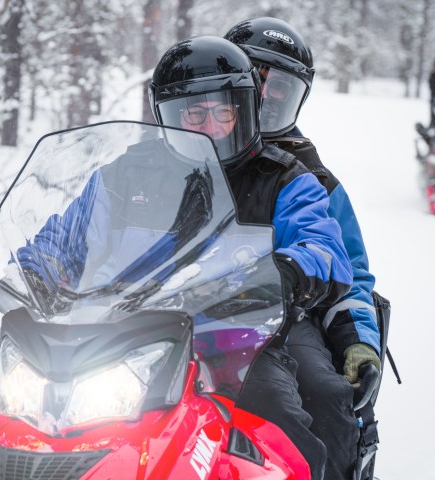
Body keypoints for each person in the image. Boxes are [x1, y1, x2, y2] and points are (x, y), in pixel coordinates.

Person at [149, 35, 354, 479]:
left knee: (293, 407)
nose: (209, 126)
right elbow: (70, 232)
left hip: (248, 325)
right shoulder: (133, 171)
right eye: (193, 113)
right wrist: (35, 267)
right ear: (167, 115)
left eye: (222, 112)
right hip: (143, 323)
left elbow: (326, 247)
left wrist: (289, 271)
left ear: (242, 111)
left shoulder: (284, 176)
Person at [224, 17, 382, 480]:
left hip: (287, 313)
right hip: (183, 304)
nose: (269, 94)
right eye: (260, 77)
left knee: (321, 393)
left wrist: (358, 342)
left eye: (284, 87)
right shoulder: (187, 147)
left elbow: (349, 271)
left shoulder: (313, 177)